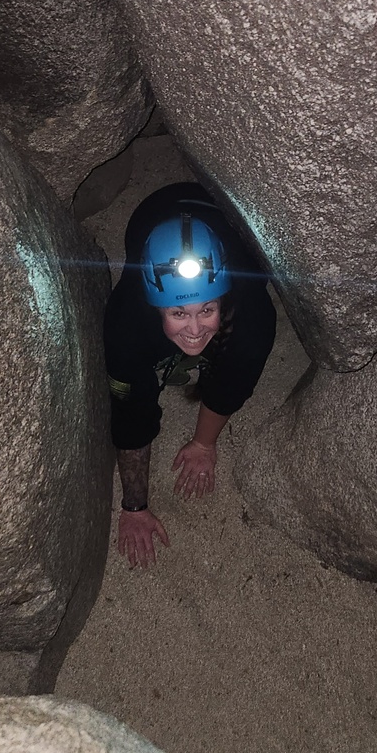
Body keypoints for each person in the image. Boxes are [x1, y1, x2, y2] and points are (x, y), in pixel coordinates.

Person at [105, 182, 276, 568]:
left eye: (207, 310)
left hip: (223, 204)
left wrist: (203, 444)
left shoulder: (251, 312)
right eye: (178, 314)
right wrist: (134, 507)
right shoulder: (127, 323)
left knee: (240, 347)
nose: (195, 330)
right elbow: (130, 413)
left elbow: (233, 384)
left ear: (223, 299)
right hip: (155, 207)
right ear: (155, 308)